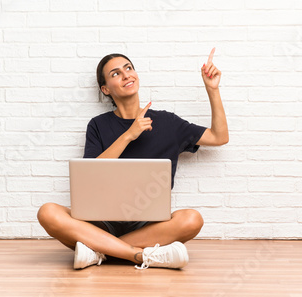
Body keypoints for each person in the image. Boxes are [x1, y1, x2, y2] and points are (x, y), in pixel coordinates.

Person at [37, 48, 228, 270]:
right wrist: (128, 135)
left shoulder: (168, 122)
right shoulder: (98, 125)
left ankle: (99, 251)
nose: (126, 74)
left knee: (192, 219)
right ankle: (140, 256)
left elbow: (219, 136)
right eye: (116, 73)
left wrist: (212, 89)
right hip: (100, 221)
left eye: (129, 68)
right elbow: (91, 175)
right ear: (105, 89)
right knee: (48, 212)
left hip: (148, 225)